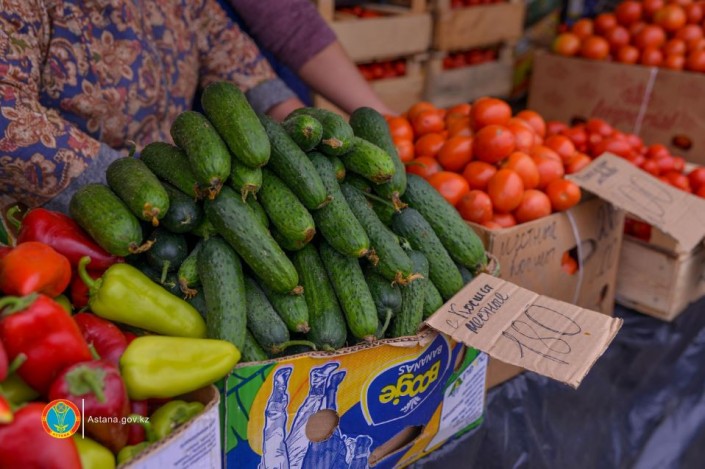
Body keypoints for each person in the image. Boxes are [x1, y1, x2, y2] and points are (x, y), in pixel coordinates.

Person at [0, 0, 306, 221]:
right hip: (62, 227)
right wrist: (140, 187)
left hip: (178, 203)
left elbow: (234, 57)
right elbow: (7, 116)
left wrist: (304, 143)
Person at [227, 0, 394, 116]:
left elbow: (292, 22)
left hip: (261, 73)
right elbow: (217, 42)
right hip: (231, 90)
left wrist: (384, 118)